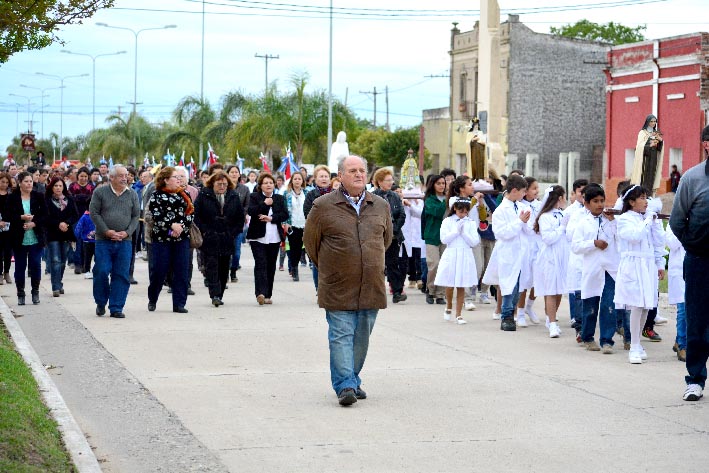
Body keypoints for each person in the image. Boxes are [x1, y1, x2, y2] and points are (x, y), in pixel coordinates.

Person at [303, 155, 393, 407]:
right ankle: (345, 385)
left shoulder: (380, 205)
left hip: (371, 283)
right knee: (341, 334)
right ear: (340, 176)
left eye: (362, 170)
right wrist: (334, 266)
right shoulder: (322, 206)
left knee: (361, 335)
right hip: (337, 283)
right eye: (352, 170)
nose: (358, 175)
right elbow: (311, 244)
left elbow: (386, 240)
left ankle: (351, 378)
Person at [669, 124, 709, 401]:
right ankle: (695, 379)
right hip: (700, 261)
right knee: (697, 321)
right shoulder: (692, 179)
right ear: (707, 145)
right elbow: (676, 221)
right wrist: (693, 245)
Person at [614, 185, 664, 364]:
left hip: (648, 265)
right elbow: (635, 236)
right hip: (633, 265)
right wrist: (647, 221)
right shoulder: (624, 219)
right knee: (636, 304)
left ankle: (638, 343)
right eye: (642, 198)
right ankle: (634, 345)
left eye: (646, 198)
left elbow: (658, 242)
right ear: (631, 202)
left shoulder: (648, 219)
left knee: (646, 305)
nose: (646, 201)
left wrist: (660, 263)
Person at [570, 184, 619, 353]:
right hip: (592, 270)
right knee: (590, 306)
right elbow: (576, 246)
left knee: (609, 305)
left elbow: (620, 239)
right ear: (587, 204)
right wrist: (593, 243)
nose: (600, 204)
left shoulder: (611, 220)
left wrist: (613, 223)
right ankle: (588, 337)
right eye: (595, 201)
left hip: (610, 270)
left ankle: (607, 340)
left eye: (602, 201)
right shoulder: (583, 223)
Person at [89, 165, 140, 319]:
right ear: (111, 177)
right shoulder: (100, 192)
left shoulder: (132, 194)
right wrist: (107, 231)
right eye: (120, 175)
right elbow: (94, 213)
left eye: (126, 175)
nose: (125, 178)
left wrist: (127, 232)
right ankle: (101, 302)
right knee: (102, 271)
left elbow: (136, 216)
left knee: (121, 274)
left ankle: (116, 307)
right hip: (104, 240)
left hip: (125, 241)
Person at [482, 174, 530, 331]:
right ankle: (506, 315)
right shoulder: (500, 211)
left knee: (519, 286)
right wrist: (520, 222)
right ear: (514, 190)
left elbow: (528, 230)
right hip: (508, 253)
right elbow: (502, 233)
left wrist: (527, 224)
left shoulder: (522, 207)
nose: (525, 195)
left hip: (521, 252)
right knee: (509, 285)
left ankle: (512, 312)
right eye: (523, 191)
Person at [147, 166, 194, 314]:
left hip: (181, 238)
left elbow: (190, 214)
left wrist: (180, 228)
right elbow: (156, 216)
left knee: (181, 271)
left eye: (180, 177)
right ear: (166, 180)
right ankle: (153, 298)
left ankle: (179, 303)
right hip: (162, 238)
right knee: (159, 270)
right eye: (175, 177)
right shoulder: (157, 195)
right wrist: (171, 226)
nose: (179, 180)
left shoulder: (184, 194)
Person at [194, 170, 244, 307]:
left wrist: (232, 233)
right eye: (219, 184)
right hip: (210, 237)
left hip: (227, 238)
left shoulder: (233, 196)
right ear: (213, 183)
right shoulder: (204, 195)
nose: (222, 186)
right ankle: (214, 294)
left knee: (223, 267)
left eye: (224, 184)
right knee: (211, 266)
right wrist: (205, 231)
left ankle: (220, 293)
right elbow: (196, 216)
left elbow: (240, 218)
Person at [435, 197, 480, 325]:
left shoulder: (470, 222)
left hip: (465, 253)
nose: (463, 214)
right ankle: (448, 305)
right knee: (450, 283)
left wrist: (464, 233)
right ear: (455, 208)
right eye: (461, 211)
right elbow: (444, 239)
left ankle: (459, 314)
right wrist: (456, 231)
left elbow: (474, 241)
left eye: (466, 212)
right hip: (452, 253)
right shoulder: (447, 221)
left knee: (461, 284)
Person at [532, 185, 569, 338]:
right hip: (550, 257)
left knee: (560, 289)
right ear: (559, 198)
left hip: (563, 255)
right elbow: (548, 238)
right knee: (551, 291)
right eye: (563, 196)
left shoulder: (562, 214)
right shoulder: (544, 217)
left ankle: (550, 318)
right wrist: (562, 227)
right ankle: (552, 324)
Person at [246, 173, 288, 305]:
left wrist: (271, 218)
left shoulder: (279, 198)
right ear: (260, 185)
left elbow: (284, 214)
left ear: (274, 184)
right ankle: (260, 293)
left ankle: (268, 294)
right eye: (265, 183)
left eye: (271, 182)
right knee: (260, 263)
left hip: (274, 237)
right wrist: (265, 204)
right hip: (257, 237)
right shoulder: (254, 197)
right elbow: (251, 211)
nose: (268, 185)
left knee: (270, 265)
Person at [6, 171, 48, 305]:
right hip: (19, 237)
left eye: (30, 181)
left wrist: (34, 223)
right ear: (20, 183)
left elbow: (45, 214)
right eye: (26, 181)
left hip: (36, 236)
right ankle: (20, 293)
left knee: (36, 264)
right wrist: (21, 218)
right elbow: (7, 216)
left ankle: (35, 291)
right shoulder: (12, 198)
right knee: (20, 266)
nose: (29, 184)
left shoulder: (39, 196)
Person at [372, 168, 407, 303]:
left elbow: (401, 215)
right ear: (379, 182)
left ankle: (397, 292)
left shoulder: (395, 196)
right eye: (387, 180)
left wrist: (394, 229)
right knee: (377, 264)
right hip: (378, 236)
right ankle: (375, 291)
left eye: (391, 180)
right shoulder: (373, 197)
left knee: (393, 264)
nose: (390, 182)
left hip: (394, 236)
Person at [44, 177, 78, 297]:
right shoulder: (47, 200)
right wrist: (58, 223)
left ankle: (59, 282)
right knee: (55, 260)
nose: (58, 188)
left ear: (63, 187)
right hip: (53, 234)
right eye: (56, 186)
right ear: (52, 187)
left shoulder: (69, 200)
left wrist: (66, 223)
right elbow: (46, 217)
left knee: (63, 261)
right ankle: (55, 286)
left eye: (60, 185)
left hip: (66, 234)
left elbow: (75, 215)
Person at [303, 165, 333, 292]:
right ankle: (319, 289)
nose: (324, 179)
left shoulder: (336, 194)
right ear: (315, 179)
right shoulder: (311, 195)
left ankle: (331, 288)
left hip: (333, 232)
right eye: (321, 176)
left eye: (326, 176)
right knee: (318, 262)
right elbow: (307, 212)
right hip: (317, 232)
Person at [423, 174, 448, 305]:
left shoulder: (449, 198)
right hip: (432, 236)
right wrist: (446, 201)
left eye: (443, 183)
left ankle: (440, 293)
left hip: (446, 236)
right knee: (434, 264)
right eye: (438, 183)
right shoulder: (429, 199)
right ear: (433, 185)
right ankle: (430, 289)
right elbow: (437, 212)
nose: (441, 186)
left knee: (444, 265)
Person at [68, 166, 95, 274]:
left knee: (87, 242)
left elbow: (92, 199)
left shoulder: (91, 187)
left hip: (88, 218)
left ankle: (85, 264)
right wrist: (82, 198)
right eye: (81, 176)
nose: (83, 178)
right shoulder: (72, 186)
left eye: (85, 176)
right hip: (75, 216)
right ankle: (77, 264)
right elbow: (71, 199)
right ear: (77, 176)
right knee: (77, 240)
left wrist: (78, 197)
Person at [665, 226, 686, 362]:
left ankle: (680, 340)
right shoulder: (674, 223)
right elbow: (672, 244)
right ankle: (683, 345)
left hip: (699, 267)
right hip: (680, 270)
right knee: (684, 309)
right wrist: (687, 226)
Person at [226, 165, 250, 282]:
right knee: (225, 250)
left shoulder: (244, 189)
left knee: (236, 251)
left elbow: (247, 205)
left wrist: (242, 213)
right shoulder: (224, 188)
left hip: (239, 223)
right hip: (225, 223)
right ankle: (224, 272)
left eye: (236, 172)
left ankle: (233, 270)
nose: (234, 174)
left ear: (239, 174)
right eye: (232, 172)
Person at [283, 172, 306, 281]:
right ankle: (294, 269)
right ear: (292, 181)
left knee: (302, 248)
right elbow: (284, 210)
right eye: (295, 179)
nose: (297, 181)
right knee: (294, 248)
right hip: (292, 225)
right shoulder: (286, 194)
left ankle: (295, 266)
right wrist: (285, 223)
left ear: (302, 181)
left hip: (305, 224)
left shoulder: (307, 192)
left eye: (299, 179)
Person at [632, 115, 664, 192]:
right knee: (645, 177)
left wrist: (660, 141)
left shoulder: (655, 133)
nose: (653, 123)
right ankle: (643, 192)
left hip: (653, 158)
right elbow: (639, 147)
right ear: (647, 122)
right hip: (645, 160)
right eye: (651, 121)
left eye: (654, 121)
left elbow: (659, 148)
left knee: (651, 176)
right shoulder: (642, 133)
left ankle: (649, 193)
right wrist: (650, 145)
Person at [0, 172, 13, 285]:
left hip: (9, 226)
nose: (4, 184)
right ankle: (0, 273)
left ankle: (7, 272)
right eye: (2, 182)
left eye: (6, 182)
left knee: (8, 250)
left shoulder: (11, 194)